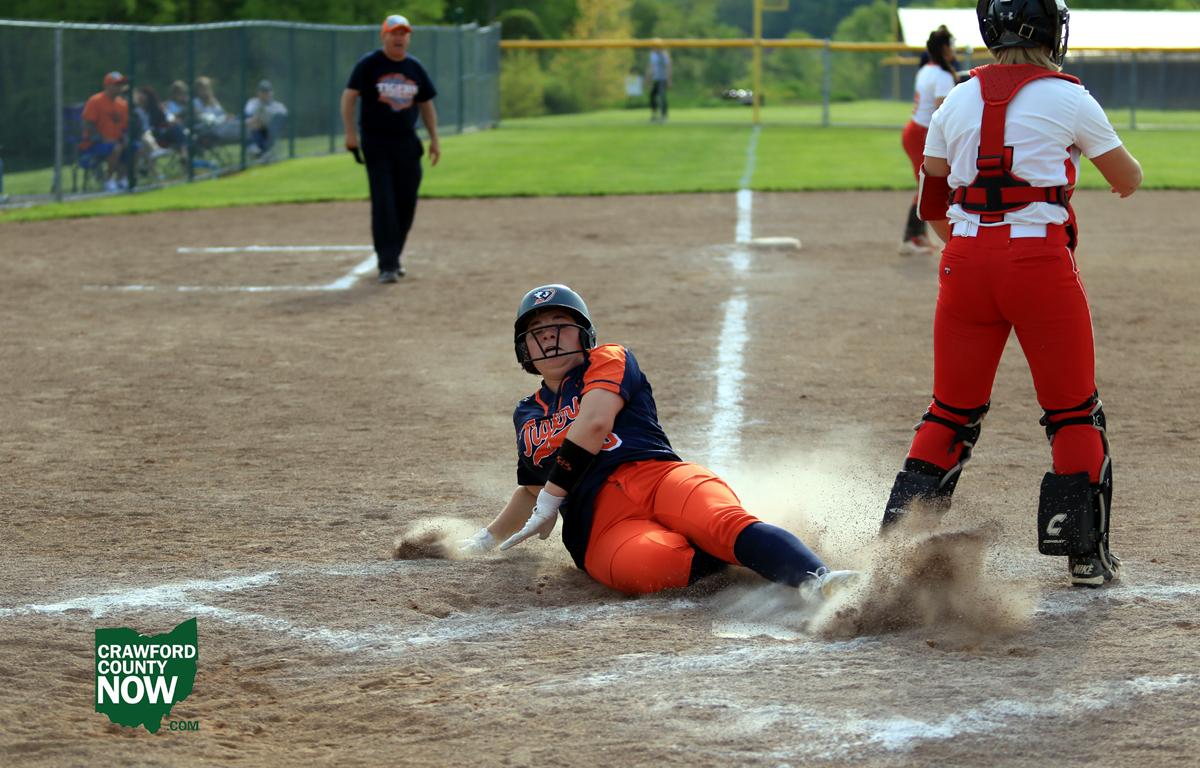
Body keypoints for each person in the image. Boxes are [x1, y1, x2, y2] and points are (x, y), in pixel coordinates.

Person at [881, 0, 1142, 588]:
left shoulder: (956, 97)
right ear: (1050, 31)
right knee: (1072, 410)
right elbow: (1128, 179)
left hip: (965, 265)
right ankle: (1084, 557)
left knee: (951, 411)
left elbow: (932, 204)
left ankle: (894, 553)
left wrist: (975, 247)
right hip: (1039, 264)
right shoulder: (1070, 97)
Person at [457, 284, 859, 599]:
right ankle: (743, 560)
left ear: (584, 335)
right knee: (660, 565)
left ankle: (820, 580)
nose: (549, 336)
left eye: (560, 324)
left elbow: (594, 423)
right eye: (537, 331)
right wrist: (485, 539)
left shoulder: (608, 358)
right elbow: (531, 489)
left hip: (658, 477)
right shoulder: (527, 413)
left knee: (721, 521)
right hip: (598, 525)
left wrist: (551, 498)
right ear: (524, 348)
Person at [341, 14, 440, 284]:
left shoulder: (414, 67)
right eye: (394, 33)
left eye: (403, 33)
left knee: (406, 203)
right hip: (376, 143)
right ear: (383, 36)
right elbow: (349, 96)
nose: (399, 37)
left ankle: (393, 255)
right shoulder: (369, 64)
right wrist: (350, 133)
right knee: (384, 202)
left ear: (408, 38)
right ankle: (388, 263)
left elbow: (426, 104)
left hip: (407, 143)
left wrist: (434, 139)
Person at [899, 27, 958, 257]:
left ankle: (920, 236)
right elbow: (942, 111)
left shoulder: (926, 69)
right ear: (944, 48)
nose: (953, 49)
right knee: (927, 187)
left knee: (925, 185)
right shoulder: (943, 75)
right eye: (951, 45)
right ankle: (909, 239)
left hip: (914, 130)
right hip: (923, 133)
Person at [80, 71, 132, 192]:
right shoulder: (95, 100)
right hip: (93, 144)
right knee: (116, 147)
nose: (120, 87)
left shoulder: (123, 104)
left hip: (116, 142)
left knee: (133, 146)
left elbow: (125, 127)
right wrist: (102, 138)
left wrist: (126, 137)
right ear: (107, 86)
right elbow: (87, 123)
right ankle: (108, 180)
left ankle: (122, 179)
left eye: (121, 84)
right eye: (116, 84)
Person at [244, 79, 289, 160]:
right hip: (254, 130)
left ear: (271, 93)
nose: (265, 94)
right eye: (262, 91)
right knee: (250, 127)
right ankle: (257, 150)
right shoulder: (252, 103)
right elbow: (247, 118)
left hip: (268, 132)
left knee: (274, 123)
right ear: (258, 93)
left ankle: (264, 151)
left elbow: (283, 115)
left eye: (267, 91)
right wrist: (256, 121)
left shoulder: (277, 106)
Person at [192, 76, 239, 145]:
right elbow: (204, 119)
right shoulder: (195, 102)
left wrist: (227, 117)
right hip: (207, 129)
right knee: (237, 126)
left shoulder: (214, 102)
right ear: (198, 90)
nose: (205, 91)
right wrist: (222, 119)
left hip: (221, 125)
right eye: (202, 88)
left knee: (237, 122)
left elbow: (221, 113)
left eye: (206, 88)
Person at [646, 44, 671, 123]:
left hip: (662, 79)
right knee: (652, 96)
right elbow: (651, 67)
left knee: (662, 96)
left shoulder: (664, 54)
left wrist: (669, 79)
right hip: (655, 79)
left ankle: (663, 115)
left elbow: (668, 67)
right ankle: (654, 114)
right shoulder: (653, 55)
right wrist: (648, 79)